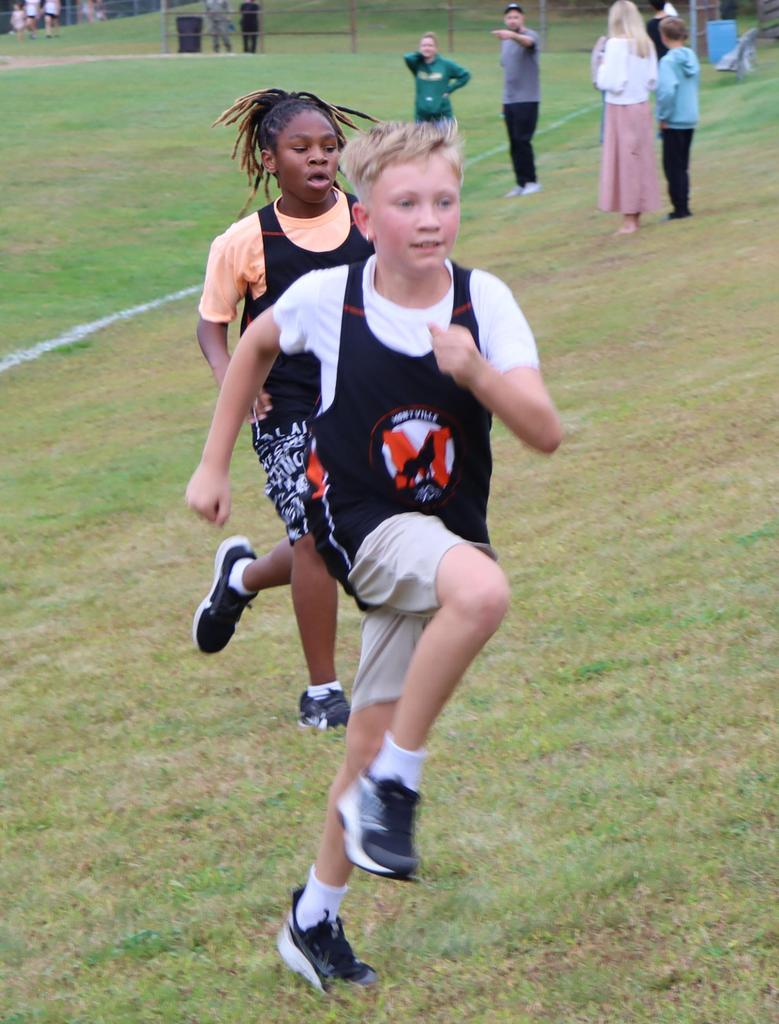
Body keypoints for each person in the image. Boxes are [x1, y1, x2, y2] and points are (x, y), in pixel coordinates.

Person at [185, 119, 562, 991]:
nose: (429, 220)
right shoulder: (331, 298)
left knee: (362, 739)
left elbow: (543, 431)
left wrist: (476, 373)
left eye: (444, 201)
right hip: (358, 521)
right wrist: (212, 462)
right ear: (365, 217)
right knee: (482, 594)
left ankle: (312, 917)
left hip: (441, 529)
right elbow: (252, 345)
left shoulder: (484, 302)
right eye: (406, 203)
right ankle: (400, 782)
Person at [193, 89, 375, 730]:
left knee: (344, 535)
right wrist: (235, 384)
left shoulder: (368, 219)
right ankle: (322, 693)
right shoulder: (245, 241)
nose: (319, 158)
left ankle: (240, 579)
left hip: (360, 398)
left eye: (328, 147)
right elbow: (212, 326)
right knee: (315, 536)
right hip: (285, 406)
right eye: (302, 149)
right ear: (271, 160)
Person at [596, 0, 660, 234]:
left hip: (621, 108)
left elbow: (611, 82)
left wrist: (602, 65)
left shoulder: (615, 45)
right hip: (641, 106)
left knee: (625, 163)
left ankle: (630, 220)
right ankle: (636, 214)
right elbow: (653, 79)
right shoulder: (645, 44)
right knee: (639, 159)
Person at [492, 2, 542, 197]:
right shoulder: (505, 41)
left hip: (527, 99)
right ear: (505, 20)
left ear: (522, 18)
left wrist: (512, 36)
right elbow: (508, 73)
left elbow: (528, 43)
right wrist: (504, 102)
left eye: (516, 17)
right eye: (509, 17)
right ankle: (520, 183)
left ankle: (532, 181)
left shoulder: (530, 35)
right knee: (513, 143)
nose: (512, 20)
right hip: (510, 101)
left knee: (523, 140)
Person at [656, 17, 699, 221]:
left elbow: (667, 91)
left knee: (672, 167)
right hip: (689, 116)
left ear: (664, 37)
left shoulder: (667, 62)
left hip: (674, 120)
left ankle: (680, 209)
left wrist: (663, 115)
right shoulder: (691, 56)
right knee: (682, 165)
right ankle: (684, 204)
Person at [403, 32, 471, 123]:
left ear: (436, 48)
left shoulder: (445, 65)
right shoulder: (417, 65)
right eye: (424, 45)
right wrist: (420, 54)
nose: (427, 48)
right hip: (421, 116)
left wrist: (450, 89)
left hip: (443, 117)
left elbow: (465, 75)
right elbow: (407, 57)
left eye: (430, 45)